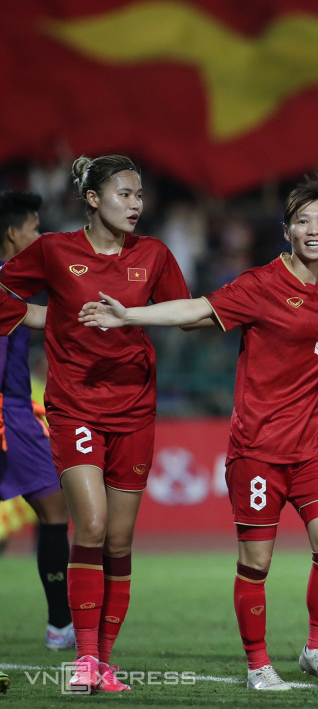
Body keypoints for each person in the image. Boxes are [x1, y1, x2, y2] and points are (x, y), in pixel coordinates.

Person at [78, 176, 318, 691]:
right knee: (257, 560)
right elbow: (196, 310)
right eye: (303, 221)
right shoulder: (261, 285)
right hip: (257, 447)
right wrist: (128, 316)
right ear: (287, 231)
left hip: (314, 442)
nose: (313, 230)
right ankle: (258, 665)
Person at [0, 155, 190, 693]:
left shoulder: (153, 255)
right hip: (75, 407)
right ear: (92, 199)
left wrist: (134, 317)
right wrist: (43, 318)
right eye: (125, 194)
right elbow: (5, 290)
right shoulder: (55, 251)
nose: (136, 204)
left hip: (134, 408)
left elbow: (185, 312)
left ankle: (105, 662)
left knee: (120, 540)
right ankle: (83, 658)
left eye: (139, 196)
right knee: (92, 525)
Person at [0, 191, 73, 651]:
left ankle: (60, 624)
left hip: (17, 412)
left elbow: (44, 317)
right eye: (35, 227)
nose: (40, 235)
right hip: (9, 416)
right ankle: (60, 625)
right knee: (54, 510)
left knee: (54, 510)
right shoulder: (4, 287)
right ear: (13, 233)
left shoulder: (12, 286)